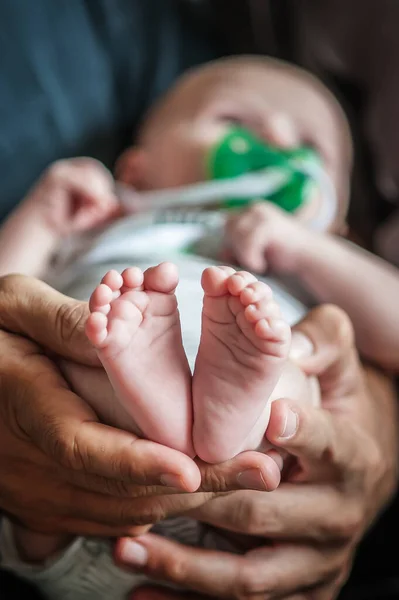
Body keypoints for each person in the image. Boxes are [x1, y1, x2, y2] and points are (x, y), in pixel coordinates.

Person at [0, 3, 397, 600]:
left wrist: (309, 250)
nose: (275, 141)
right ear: (137, 167)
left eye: (308, 144)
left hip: (255, 514)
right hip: (71, 489)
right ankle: (170, 403)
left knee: (290, 380)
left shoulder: (315, 258)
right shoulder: (101, 219)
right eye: (235, 118)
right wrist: (43, 213)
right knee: (83, 358)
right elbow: (7, 299)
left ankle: (206, 409)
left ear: (336, 217)